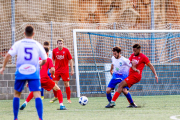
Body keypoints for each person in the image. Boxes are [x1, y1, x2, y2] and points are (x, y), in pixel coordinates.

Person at [0, 25, 47, 120]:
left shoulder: (18, 43)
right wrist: (41, 63)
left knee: (17, 94)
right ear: (33, 34)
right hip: (33, 72)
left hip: (21, 71)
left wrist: (3, 67)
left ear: (24, 33)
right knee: (37, 94)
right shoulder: (37, 44)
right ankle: (40, 118)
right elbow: (45, 59)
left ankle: (15, 117)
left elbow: (8, 55)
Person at [106, 44, 158, 108]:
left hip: (135, 76)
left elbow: (150, 65)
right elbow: (129, 63)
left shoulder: (143, 57)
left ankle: (112, 102)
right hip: (130, 75)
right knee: (124, 90)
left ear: (139, 50)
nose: (134, 52)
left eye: (135, 51)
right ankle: (132, 104)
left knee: (120, 85)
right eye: (133, 51)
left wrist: (155, 74)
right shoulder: (132, 55)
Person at [50, 39, 74, 104]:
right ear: (57, 44)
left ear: (63, 44)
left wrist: (72, 69)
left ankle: (68, 99)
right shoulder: (54, 51)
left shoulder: (66, 50)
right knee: (54, 84)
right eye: (59, 43)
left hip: (65, 70)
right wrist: (52, 68)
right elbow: (53, 60)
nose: (60, 44)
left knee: (66, 84)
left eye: (61, 43)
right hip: (57, 70)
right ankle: (55, 97)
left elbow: (70, 60)